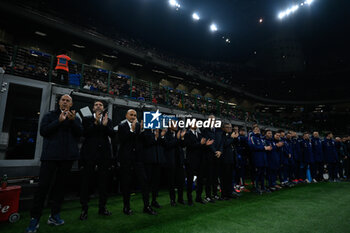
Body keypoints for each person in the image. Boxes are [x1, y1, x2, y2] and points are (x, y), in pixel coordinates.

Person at [26, 95, 82, 233]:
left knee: (60, 188)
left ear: (71, 104)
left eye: (68, 100)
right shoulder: (49, 115)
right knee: (43, 188)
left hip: (67, 159)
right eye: (63, 100)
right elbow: (43, 131)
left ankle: (54, 215)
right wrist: (58, 121)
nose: (65, 102)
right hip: (50, 157)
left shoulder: (75, 118)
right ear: (59, 102)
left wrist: (72, 121)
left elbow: (80, 133)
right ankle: (35, 219)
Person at [79, 100, 115, 220]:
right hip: (89, 155)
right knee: (86, 183)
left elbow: (112, 135)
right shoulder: (87, 119)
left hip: (104, 156)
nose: (98, 106)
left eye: (100, 105)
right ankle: (84, 209)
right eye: (96, 105)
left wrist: (104, 126)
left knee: (103, 183)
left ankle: (102, 208)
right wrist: (95, 123)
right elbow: (85, 133)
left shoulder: (108, 120)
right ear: (93, 108)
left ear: (103, 108)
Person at [117, 109, 141, 215]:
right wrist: (132, 130)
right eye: (131, 115)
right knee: (126, 183)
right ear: (126, 115)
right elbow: (123, 140)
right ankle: (126, 207)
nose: (133, 117)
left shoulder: (138, 126)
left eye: (135, 115)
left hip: (136, 158)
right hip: (125, 159)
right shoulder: (122, 126)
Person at [138, 128, 167, 215]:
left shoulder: (159, 130)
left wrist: (161, 136)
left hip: (158, 161)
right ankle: (146, 206)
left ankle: (154, 201)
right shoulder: (145, 132)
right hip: (147, 161)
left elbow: (164, 144)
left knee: (156, 183)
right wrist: (156, 137)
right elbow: (147, 143)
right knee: (146, 184)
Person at [184, 121, 214, 205]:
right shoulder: (187, 134)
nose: (196, 124)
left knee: (200, 180)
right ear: (190, 125)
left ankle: (198, 197)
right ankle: (189, 199)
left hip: (200, 160)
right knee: (190, 180)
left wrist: (206, 144)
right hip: (191, 160)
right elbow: (189, 146)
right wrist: (200, 143)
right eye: (194, 123)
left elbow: (201, 146)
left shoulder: (199, 134)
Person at [200, 115, 223, 202]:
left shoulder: (218, 130)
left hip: (218, 156)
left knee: (215, 176)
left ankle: (215, 194)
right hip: (209, 156)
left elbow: (221, 142)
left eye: (214, 119)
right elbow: (208, 143)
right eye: (210, 119)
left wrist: (220, 151)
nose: (212, 121)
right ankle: (208, 195)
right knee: (209, 177)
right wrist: (215, 151)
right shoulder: (205, 130)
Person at [163, 124, 186, 206]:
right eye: (174, 124)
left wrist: (182, 138)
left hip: (179, 161)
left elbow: (183, 145)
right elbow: (168, 145)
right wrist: (177, 138)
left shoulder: (179, 133)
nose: (176, 126)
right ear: (169, 126)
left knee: (181, 181)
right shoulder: (166, 134)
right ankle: (172, 200)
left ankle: (180, 198)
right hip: (170, 161)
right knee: (171, 182)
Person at [248, 126, 272, 194]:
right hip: (257, 159)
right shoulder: (252, 137)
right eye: (256, 129)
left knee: (262, 174)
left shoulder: (261, 138)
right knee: (257, 174)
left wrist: (267, 148)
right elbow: (252, 146)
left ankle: (263, 187)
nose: (257, 131)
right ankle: (256, 188)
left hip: (263, 159)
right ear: (253, 131)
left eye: (258, 129)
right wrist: (264, 148)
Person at [220, 123, 239, 199]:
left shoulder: (231, 135)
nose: (230, 128)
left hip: (232, 159)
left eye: (230, 127)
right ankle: (224, 194)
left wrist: (235, 138)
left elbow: (236, 144)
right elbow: (225, 144)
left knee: (230, 178)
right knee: (225, 178)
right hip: (225, 160)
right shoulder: (222, 135)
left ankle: (230, 192)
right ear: (223, 128)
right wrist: (232, 138)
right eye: (227, 127)